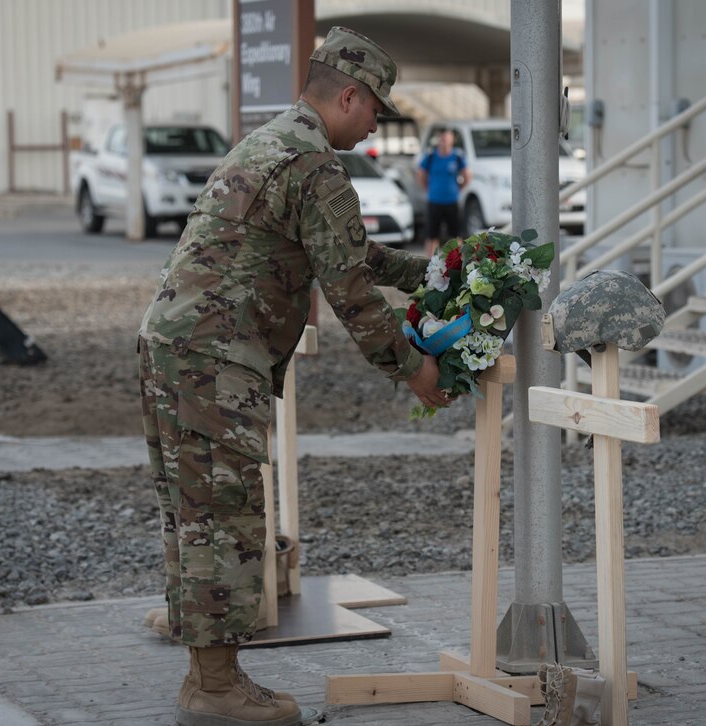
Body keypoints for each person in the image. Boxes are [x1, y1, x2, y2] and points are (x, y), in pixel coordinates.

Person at [137, 26, 449, 726]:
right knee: (225, 520)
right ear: (348, 95)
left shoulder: (275, 141)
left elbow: (351, 254)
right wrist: (413, 370)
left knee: (195, 515)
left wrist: (437, 273)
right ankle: (213, 688)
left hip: (175, 347)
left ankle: (205, 669)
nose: (375, 124)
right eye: (376, 110)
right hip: (216, 360)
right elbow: (352, 294)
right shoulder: (314, 167)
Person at [417, 129, 472, 257]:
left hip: (452, 201)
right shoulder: (431, 157)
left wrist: (459, 189)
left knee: (456, 235)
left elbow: (467, 175)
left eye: (446, 139)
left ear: (452, 141)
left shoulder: (457, 157)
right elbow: (420, 174)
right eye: (442, 139)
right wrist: (427, 189)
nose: (444, 142)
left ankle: (457, 262)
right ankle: (429, 263)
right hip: (434, 201)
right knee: (432, 235)